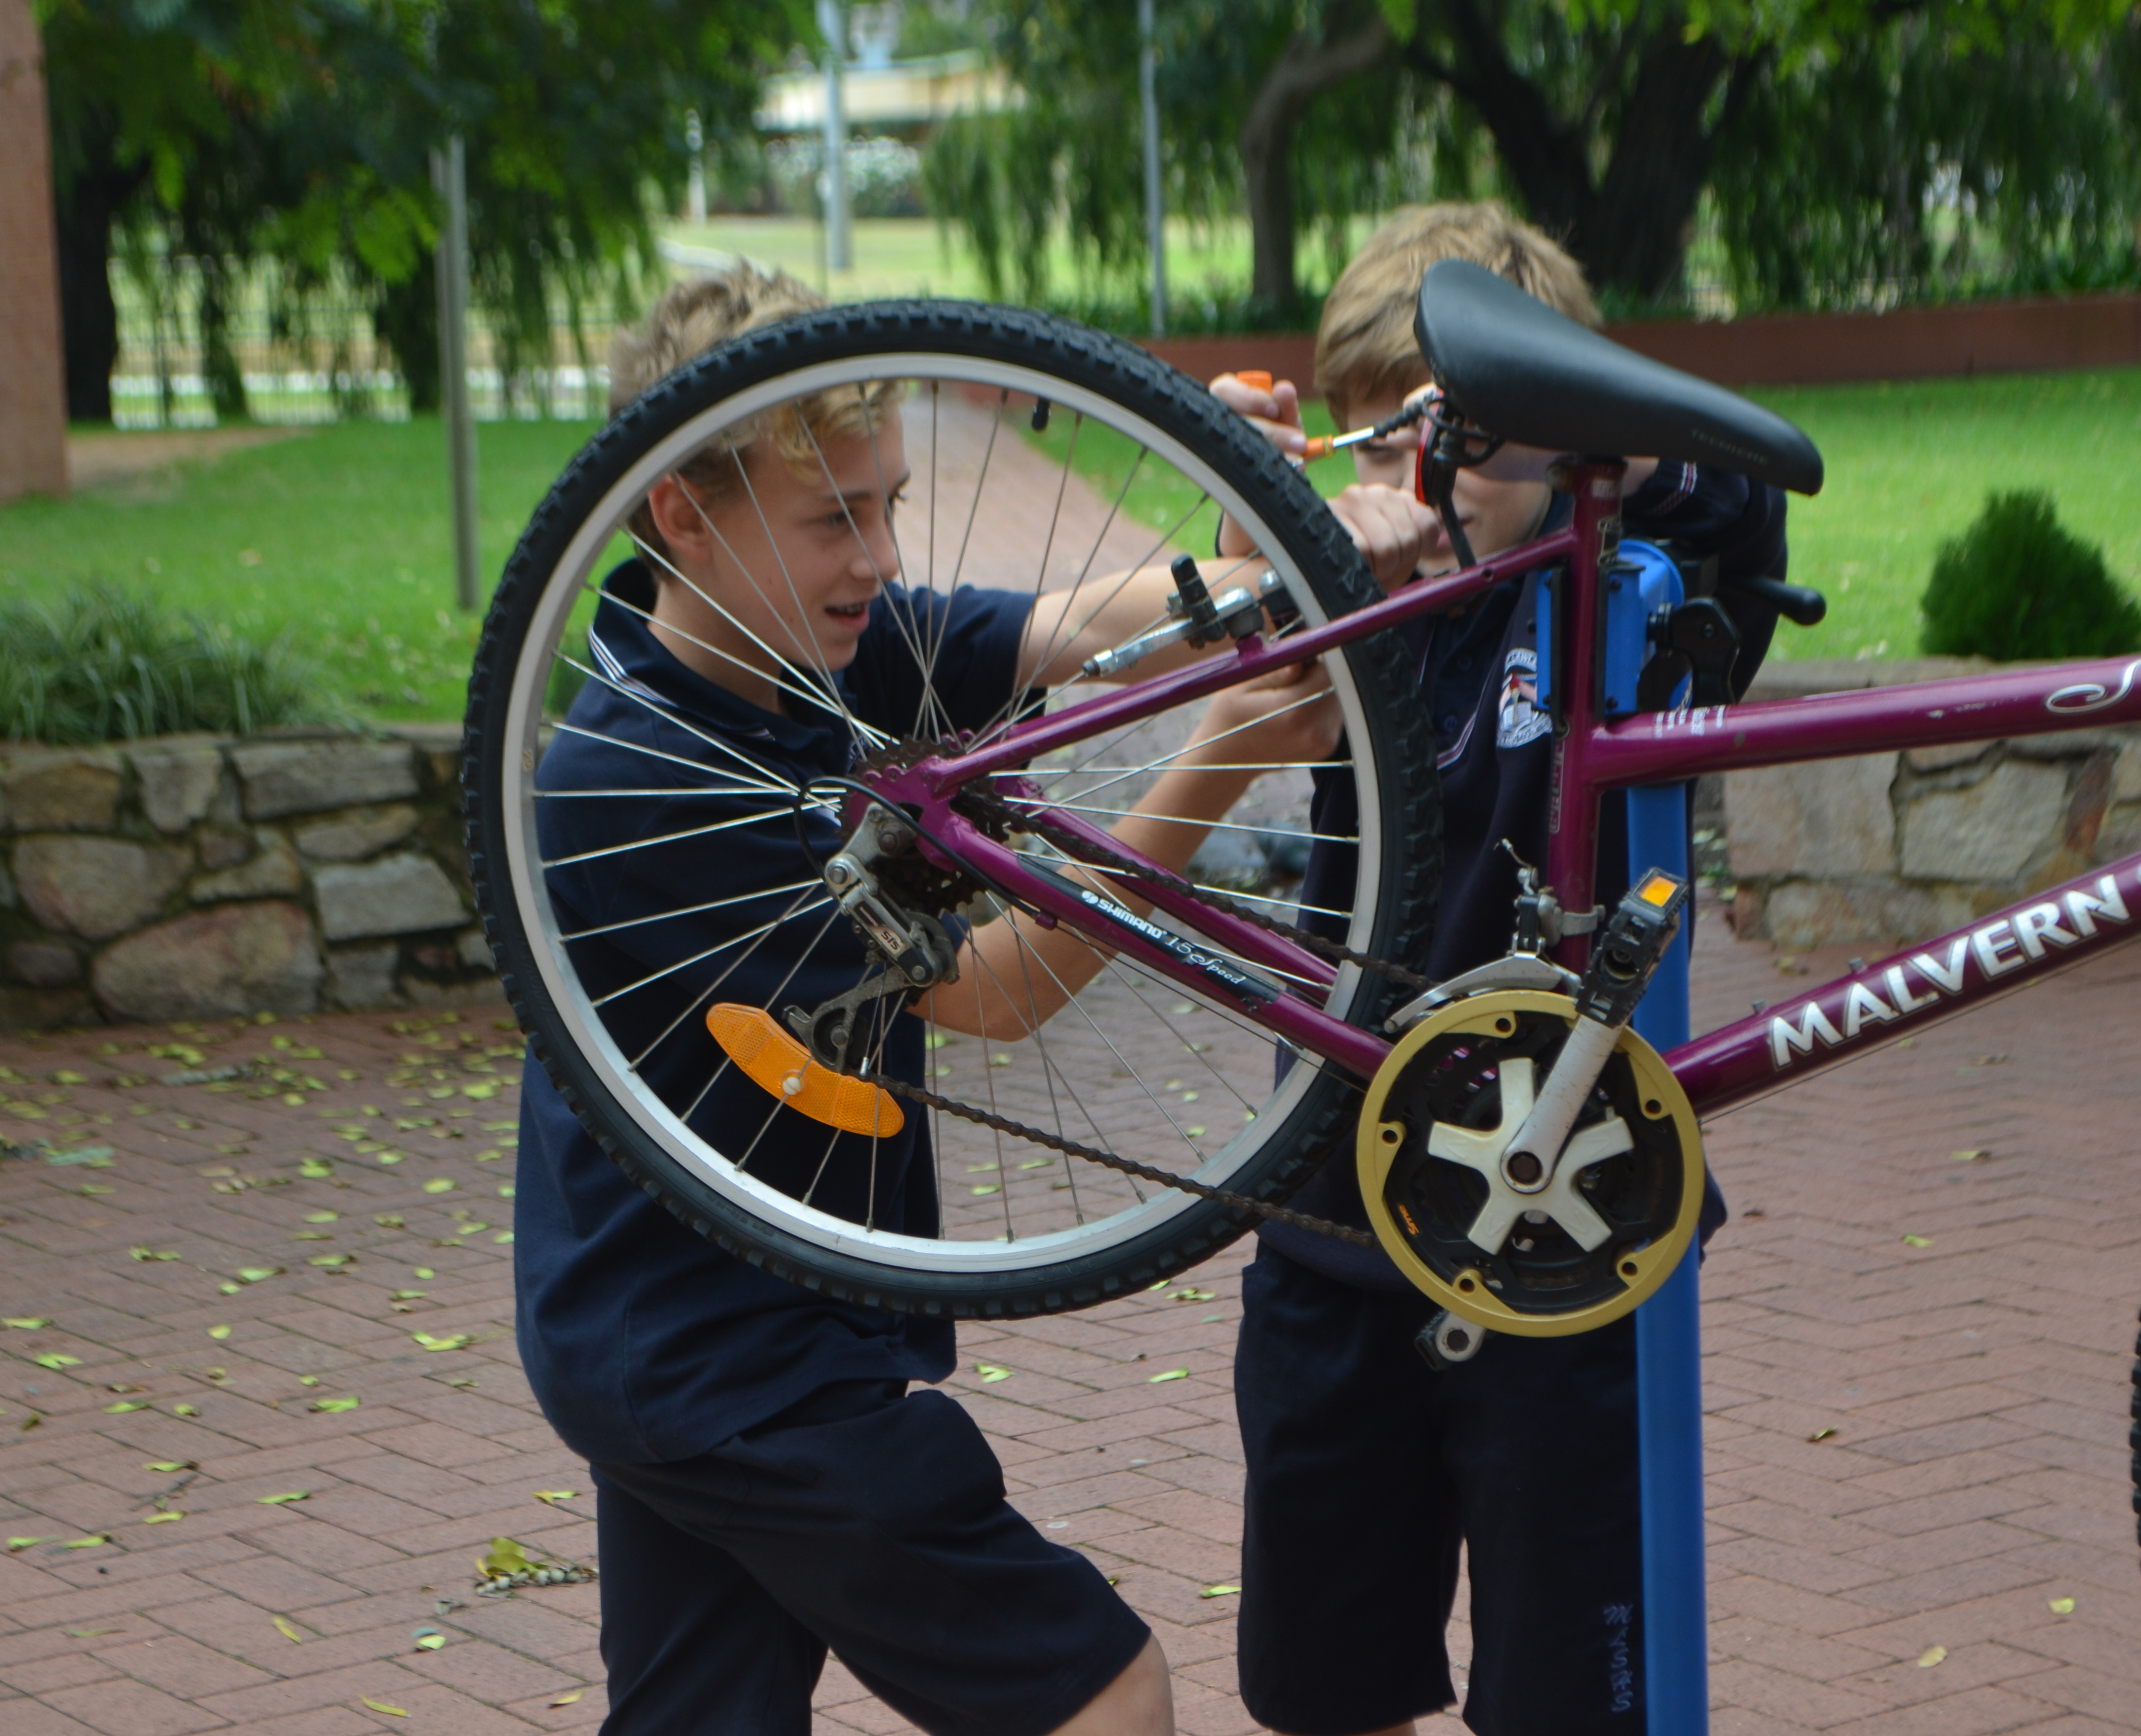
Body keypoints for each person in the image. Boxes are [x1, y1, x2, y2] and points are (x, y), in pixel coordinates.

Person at [509, 264, 1429, 1736]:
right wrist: (1223, 760)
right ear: (681, 512)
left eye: (890, 506)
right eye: (835, 518)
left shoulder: (810, 648)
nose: (878, 556)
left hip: (675, 1336)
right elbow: (995, 995)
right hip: (729, 1360)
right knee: (1106, 1695)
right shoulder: (632, 783)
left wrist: (1272, 558)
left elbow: (1075, 625)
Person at [1207, 203, 1793, 1736]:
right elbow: (1202, 643)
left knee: (1574, 1698)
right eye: (1388, 435)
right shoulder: (1344, 600)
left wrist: (1602, 445)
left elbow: (1744, 507)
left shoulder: (1630, 589)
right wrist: (1254, 504)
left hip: (1574, 1232)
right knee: (1324, 1687)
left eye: (1467, 436)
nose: (1429, 479)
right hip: (1332, 1205)